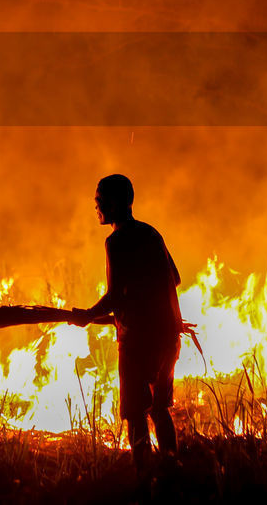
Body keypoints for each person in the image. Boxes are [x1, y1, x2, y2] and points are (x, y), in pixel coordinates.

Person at [72, 173, 182, 474]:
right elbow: (175, 278)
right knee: (159, 408)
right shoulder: (151, 233)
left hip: (137, 341)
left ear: (116, 202)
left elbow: (115, 295)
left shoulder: (116, 241)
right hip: (169, 336)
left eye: (100, 200)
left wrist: (87, 315)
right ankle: (173, 471)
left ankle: (145, 481)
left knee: (135, 413)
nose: (96, 206)